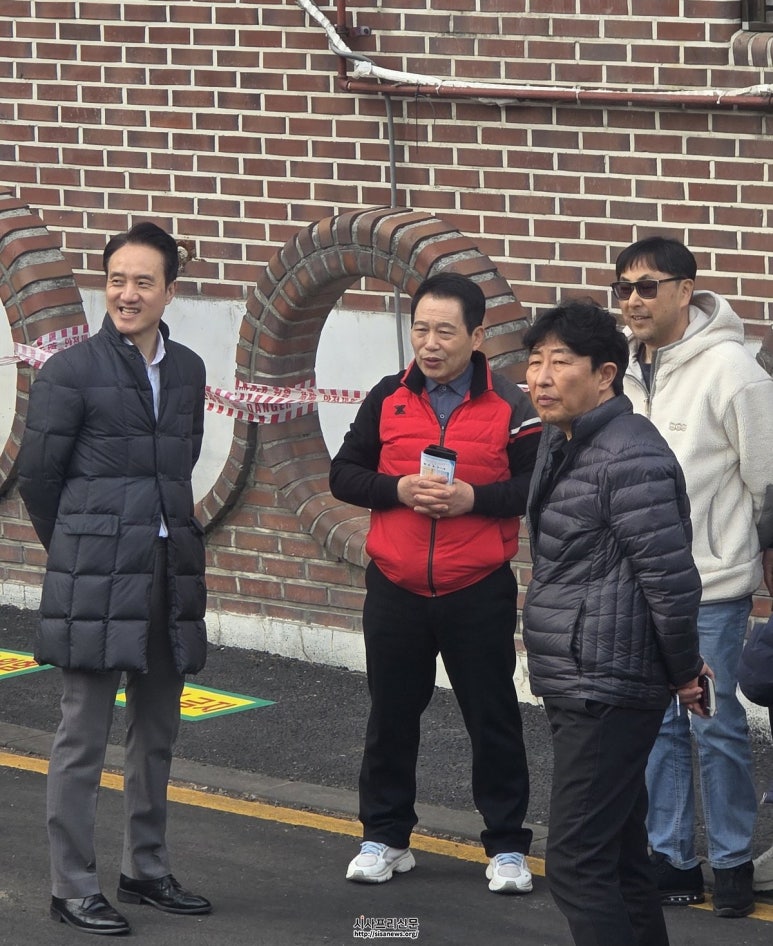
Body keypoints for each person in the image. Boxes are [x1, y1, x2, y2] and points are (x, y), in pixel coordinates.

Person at [18, 222, 211, 935]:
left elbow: (182, 460)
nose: (127, 294)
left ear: (170, 290)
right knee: (83, 737)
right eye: (116, 280)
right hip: (95, 575)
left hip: (168, 571)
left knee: (156, 732)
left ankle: (146, 869)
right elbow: (39, 479)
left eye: (143, 282)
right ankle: (71, 887)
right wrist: (80, 548)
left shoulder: (188, 370)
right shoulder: (70, 371)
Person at [329, 272, 541, 893]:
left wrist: (475, 499)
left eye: (445, 331)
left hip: (477, 587)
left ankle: (507, 846)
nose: (429, 343)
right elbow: (344, 475)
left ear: (476, 336)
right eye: (420, 329)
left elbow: (535, 488)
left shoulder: (512, 405)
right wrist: (397, 489)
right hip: (395, 586)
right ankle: (385, 837)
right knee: (391, 718)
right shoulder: (387, 397)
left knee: (493, 717)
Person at [522, 299, 706, 946]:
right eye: (535, 361)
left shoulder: (630, 455)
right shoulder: (565, 439)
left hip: (605, 684)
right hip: (582, 675)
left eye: (560, 362)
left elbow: (671, 579)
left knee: (575, 863)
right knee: (622, 859)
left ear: (605, 375)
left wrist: (684, 670)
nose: (541, 377)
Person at [613, 235, 773, 917]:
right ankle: (672, 859)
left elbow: (767, 482)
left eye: (647, 286)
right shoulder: (618, 369)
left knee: (714, 724)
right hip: (638, 585)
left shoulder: (734, 370)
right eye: (623, 287)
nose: (632, 300)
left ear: (685, 290)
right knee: (658, 725)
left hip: (711, 587)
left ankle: (731, 863)